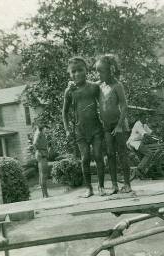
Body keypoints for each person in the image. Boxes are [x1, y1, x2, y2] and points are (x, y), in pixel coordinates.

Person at [62, 56, 106, 197]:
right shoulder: (69, 91)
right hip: (80, 130)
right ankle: (89, 188)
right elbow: (64, 112)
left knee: (98, 155)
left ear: (86, 70)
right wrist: (67, 129)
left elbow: (103, 102)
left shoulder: (94, 87)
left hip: (96, 128)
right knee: (85, 158)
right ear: (70, 74)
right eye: (73, 72)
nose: (77, 74)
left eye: (80, 70)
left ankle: (101, 186)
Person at [95, 54, 132, 194]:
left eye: (101, 71)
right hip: (106, 126)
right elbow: (86, 86)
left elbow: (124, 106)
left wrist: (119, 125)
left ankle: (127, 184)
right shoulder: (99, 86)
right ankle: (115, 185)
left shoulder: (118, 86)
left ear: (110, 70)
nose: (99, 74)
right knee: (110, 154)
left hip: (119, 124)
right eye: (97, 71)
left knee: (122, 153)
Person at [33, 124, 49, 198]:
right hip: (41, 155)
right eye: (45, 128)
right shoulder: (39, 134)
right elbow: (35, 144)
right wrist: (39, 152)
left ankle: (44, 194)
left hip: (43, 154)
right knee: (43, 174)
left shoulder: (42, 134)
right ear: (42, 128)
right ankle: (45, 195)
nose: (46, 129)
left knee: (42, 174)